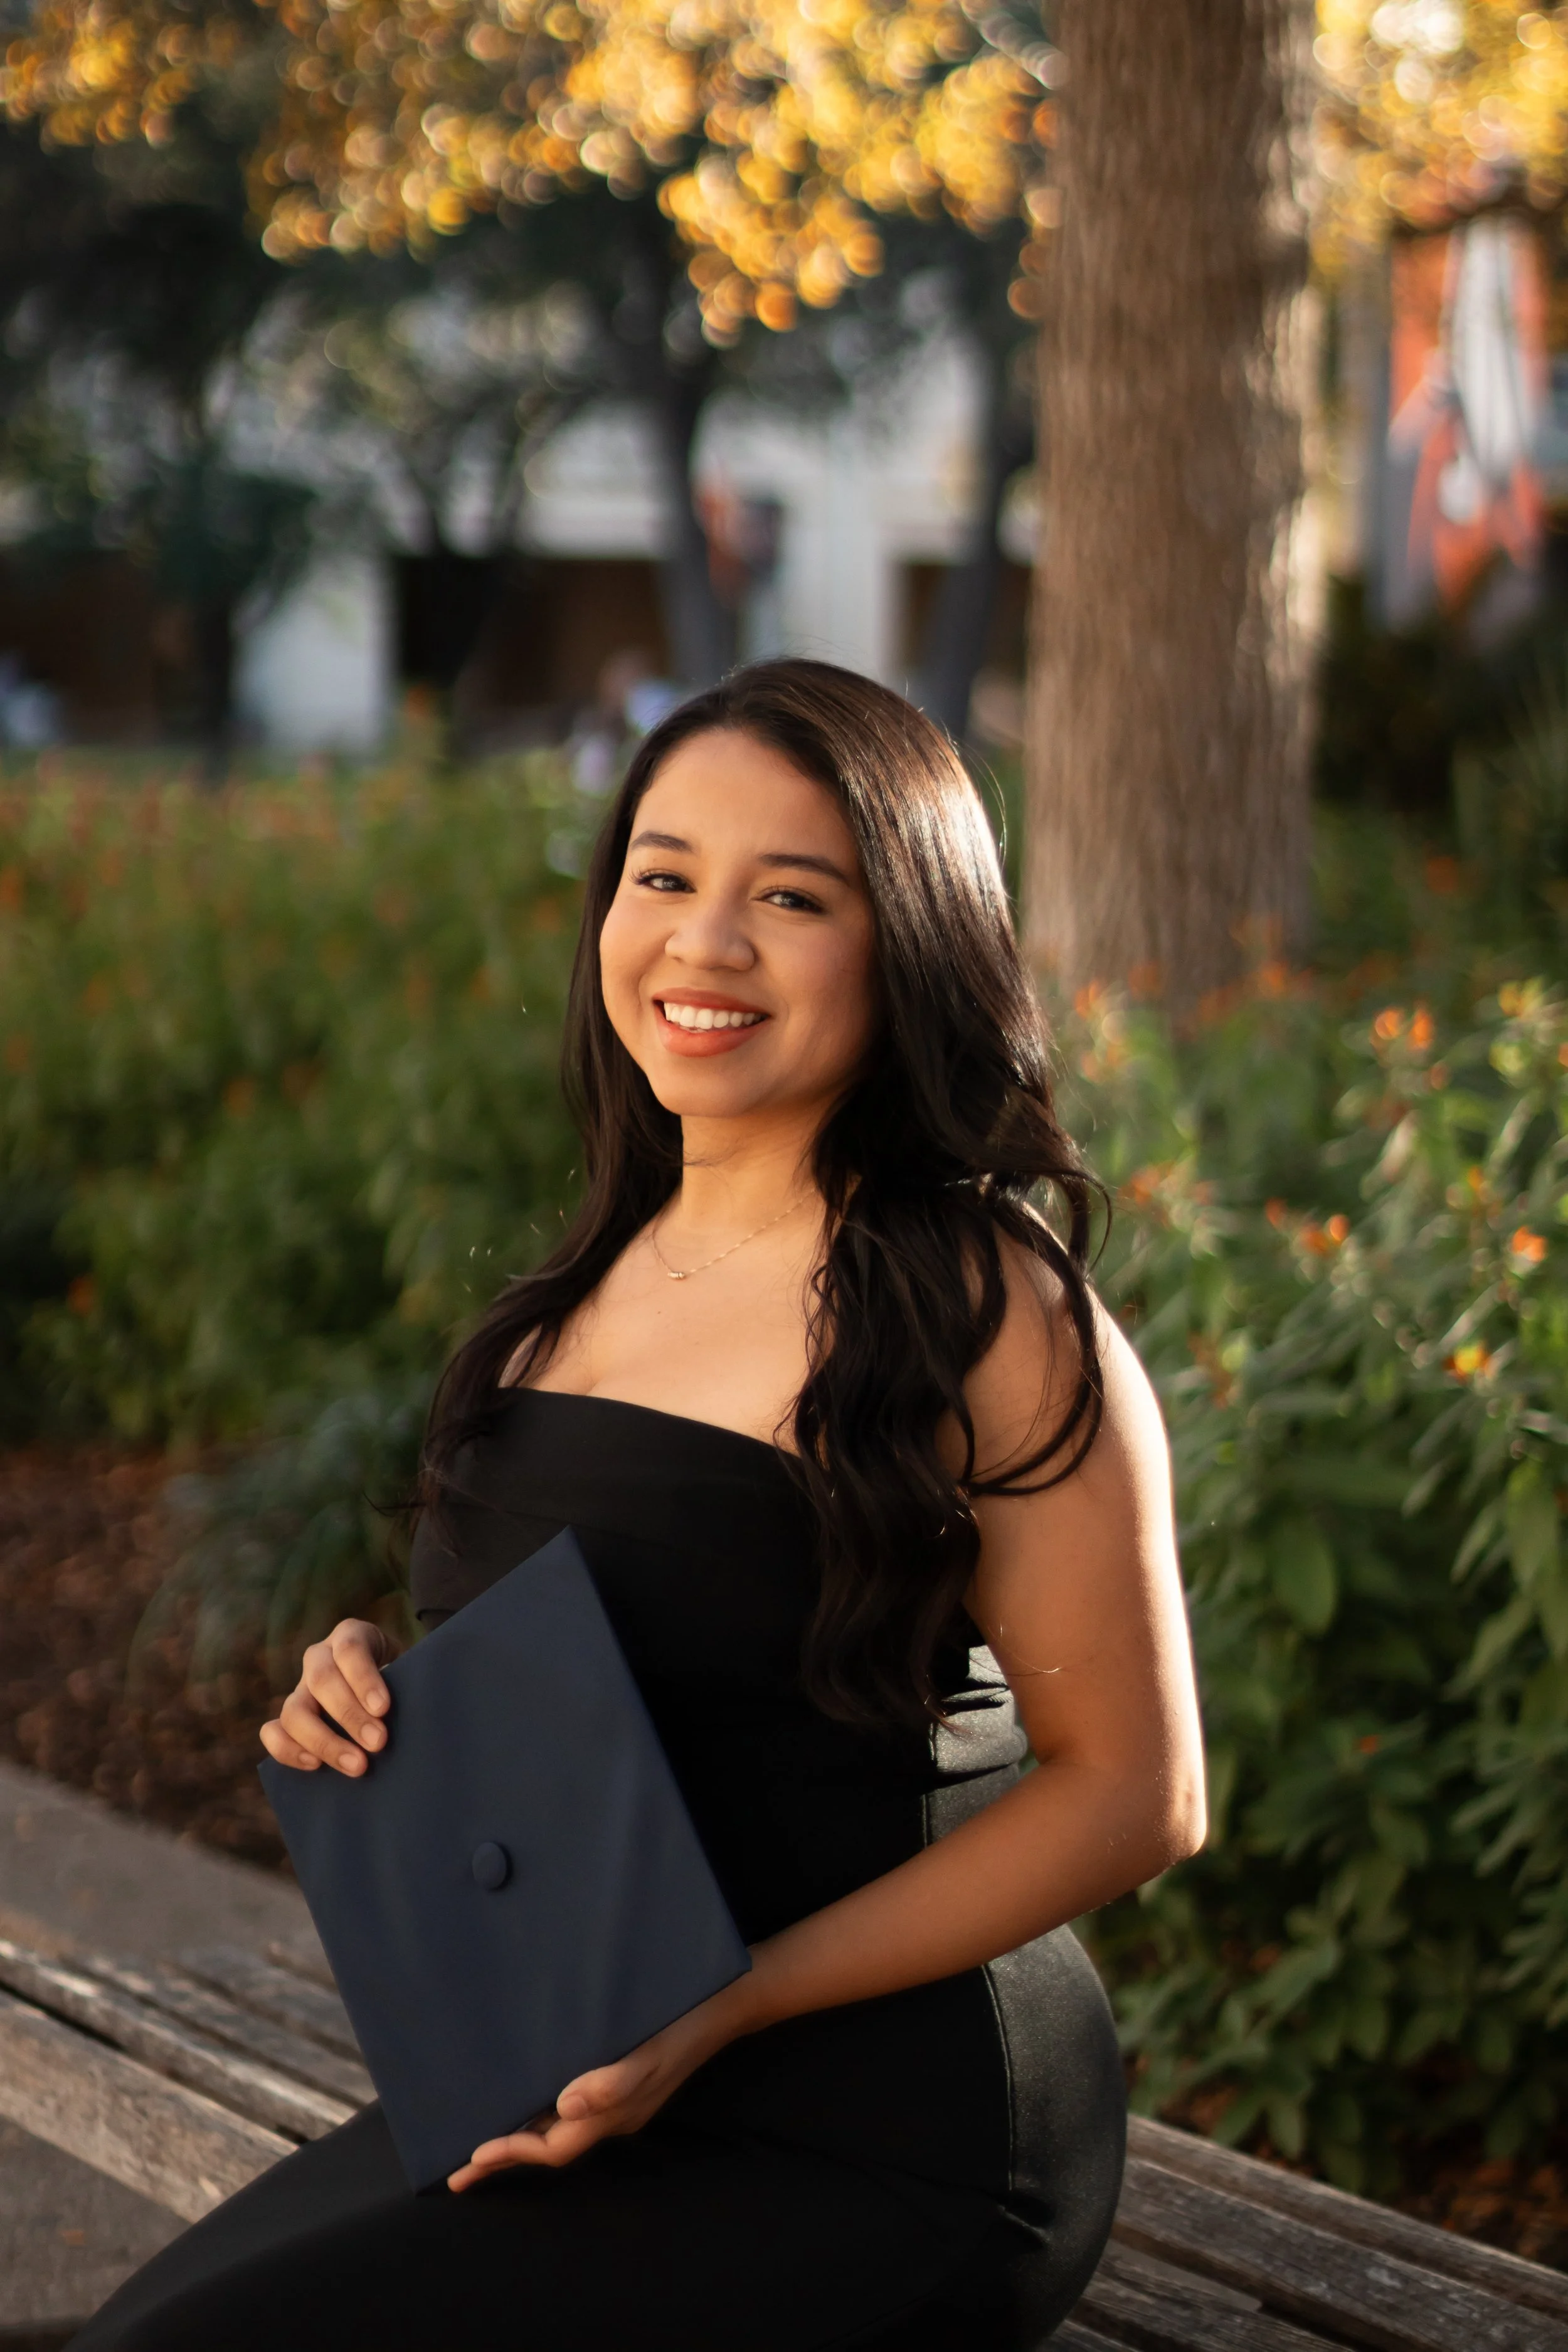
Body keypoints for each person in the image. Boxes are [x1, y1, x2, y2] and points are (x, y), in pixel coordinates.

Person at [78, 658, 1204, 2351]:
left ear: (907, 941)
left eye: (793, 896)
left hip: (886, 2129)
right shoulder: (573, 1290)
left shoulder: (976, 1301)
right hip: (585, 2059)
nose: (703, 941)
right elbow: (610, 1663)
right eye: (663, 875)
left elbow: (1138, 1792)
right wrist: (369, 1686)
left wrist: (731, 2001)